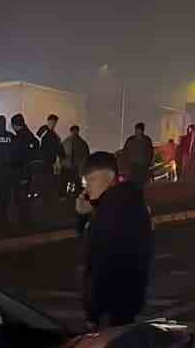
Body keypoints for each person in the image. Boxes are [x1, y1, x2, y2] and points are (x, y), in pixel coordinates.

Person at [75, 151, 153, 328]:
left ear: (110, 177)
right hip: (123, 304)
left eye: (92, 180)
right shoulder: (124, 202)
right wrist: (85, 214)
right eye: (85, 182)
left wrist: (92, 313)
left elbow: (100, 263)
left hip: (110, 309)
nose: (87, 188)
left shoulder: (112, 210)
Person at [9, 114, 40, 222]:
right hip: (27, 169)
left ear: (16, 125)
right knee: (25, 193)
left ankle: (22, 218)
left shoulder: (20, 137)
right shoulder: (28, 134)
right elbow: (35, 144)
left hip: (21, 170)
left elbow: (17, 155)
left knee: (20, 195)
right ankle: (25, 216)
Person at [36, 114, 64, 199]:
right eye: (52, 122)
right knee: (46, 178)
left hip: (50, 160)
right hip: (44, 159)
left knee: (49, 178)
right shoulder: (45, 130)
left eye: (55, 123)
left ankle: (47, 194)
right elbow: (40, 138)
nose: (53, 124)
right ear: (48, 121)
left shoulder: (53, 134)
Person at [61, 125, 90, 196]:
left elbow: (85, 156)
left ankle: (69, 195)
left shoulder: (66, 142)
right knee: (73, 183)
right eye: (73, 131)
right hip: (72, 167)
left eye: (75, 131)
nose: (74, 133)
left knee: (72, 183)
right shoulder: (82, 143)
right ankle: (71, 195)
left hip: (73, 167)